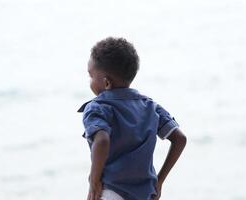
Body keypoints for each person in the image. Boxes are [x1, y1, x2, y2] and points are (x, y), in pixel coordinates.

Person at [77, 37, 187, 200]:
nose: (90, 81)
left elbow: (102, 141)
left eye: (91, 76)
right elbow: (180, 139)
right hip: (145, 194)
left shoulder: (97, 108)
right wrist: (160, 180)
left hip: (111, 192)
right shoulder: (151, 106)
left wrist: (94, 182)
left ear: (106, 83)